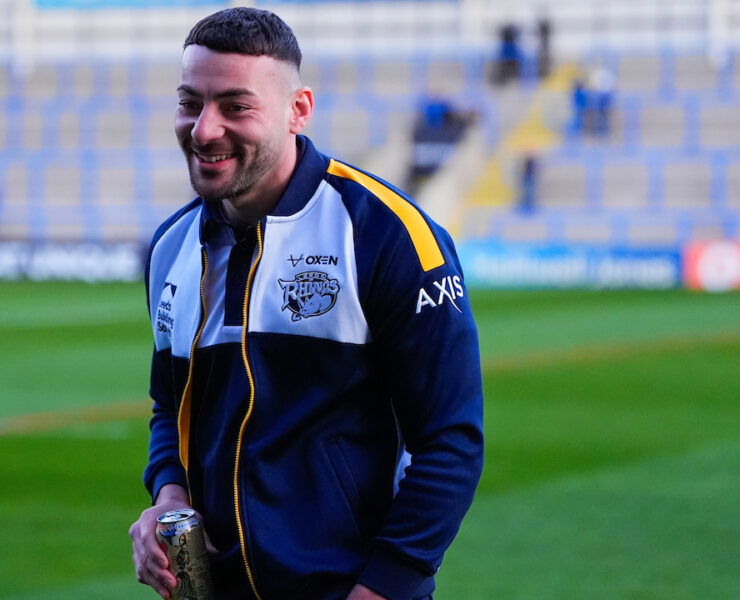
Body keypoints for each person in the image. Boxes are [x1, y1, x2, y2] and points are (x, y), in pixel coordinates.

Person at [129, 8, 483, 600]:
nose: (204, 129)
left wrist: (384, 587)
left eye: (236, 106)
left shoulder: (387, 235)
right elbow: (171, 406)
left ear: (298, 110)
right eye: (190, 102)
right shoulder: (171, 247)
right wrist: (167, 497)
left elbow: (450, 441)